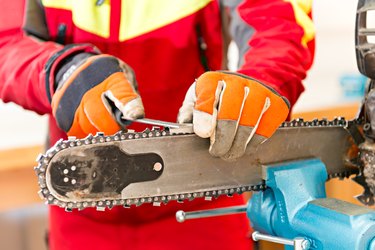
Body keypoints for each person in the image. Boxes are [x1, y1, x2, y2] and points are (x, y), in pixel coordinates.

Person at [0, 0, 315, 249]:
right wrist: (61, 72)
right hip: (80, 207)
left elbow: (279, 21)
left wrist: (262, 79)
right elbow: (7, 42)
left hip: (203, 199)